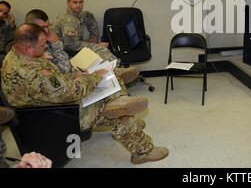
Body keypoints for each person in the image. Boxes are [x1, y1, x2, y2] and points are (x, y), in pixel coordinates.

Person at [1, 24, 168, 164]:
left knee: (107, 86)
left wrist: (74, 76)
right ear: (27, 47)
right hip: (52, 117)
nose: (46, 46)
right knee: (117, 111)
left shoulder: (18, 54)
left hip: (50, 104)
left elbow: (53, 81)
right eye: (42, 44)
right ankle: (142, 151)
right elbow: (67, 93)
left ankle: (116, 93)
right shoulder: (29, 72)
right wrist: (93, 77)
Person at [26, 9, 138, 84]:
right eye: (42, 28)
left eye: (47, 26)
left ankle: (114, 72)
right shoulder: (33, 49)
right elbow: (62, 72)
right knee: (91, 72)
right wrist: (56, 44)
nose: (47, 31)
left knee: (96, 58)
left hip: (66, 65)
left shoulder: (41, 38)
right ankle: (113, 75)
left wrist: (94, 38)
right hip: (65, 77)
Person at [52, 0, 139, 84]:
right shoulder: (68, 21)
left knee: (97, 49)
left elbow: (90, 19)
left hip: (75, 47)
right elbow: (71, 45)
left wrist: (94, 36)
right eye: (75, 2)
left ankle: (114, 71)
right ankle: (116, 70)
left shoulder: (80, 15)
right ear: (68, 3)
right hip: (66, 54)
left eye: (80, 2)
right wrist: (95, 44)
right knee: (99, 48)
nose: (78, 5)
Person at [0, 1, 15, 68]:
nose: (1, 14)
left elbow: (11, 42)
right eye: (0, 10)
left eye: (5, 13)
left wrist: (12, 25)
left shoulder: (5, 26)